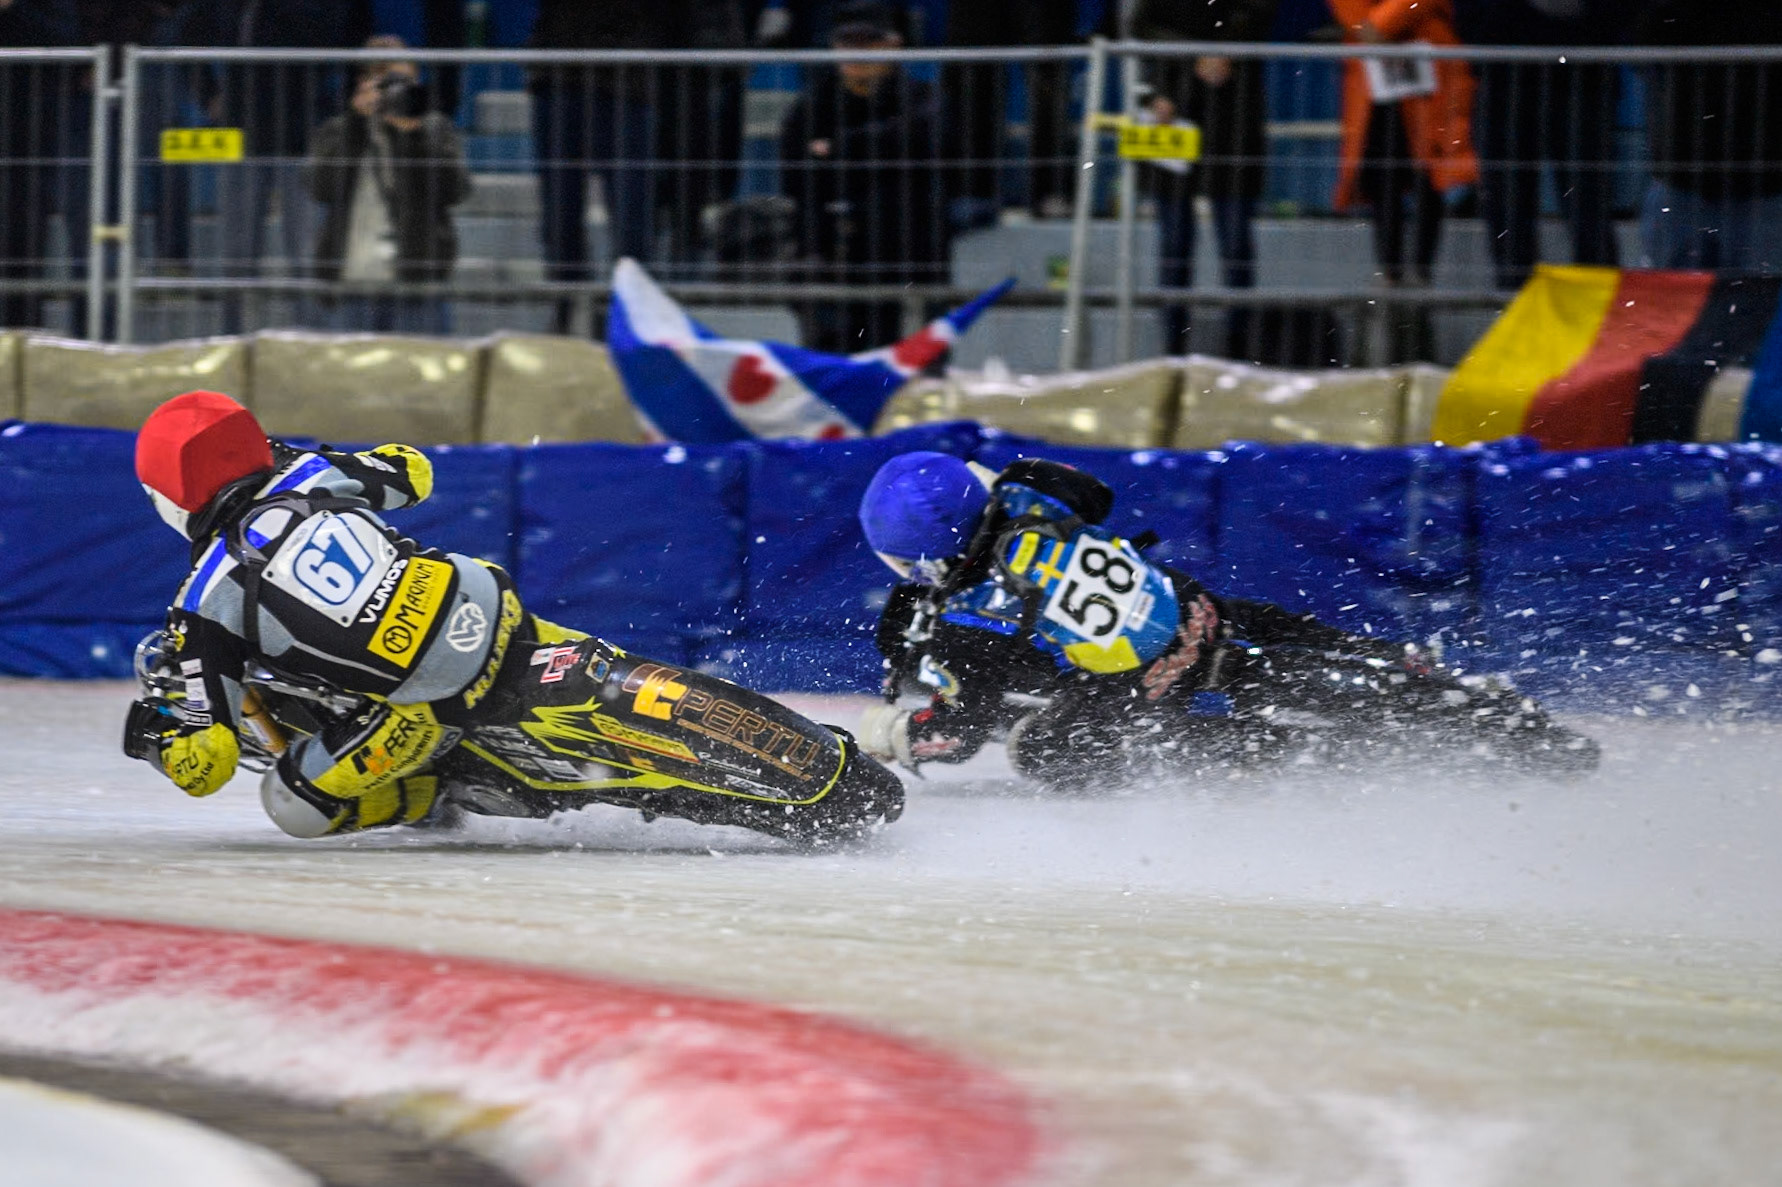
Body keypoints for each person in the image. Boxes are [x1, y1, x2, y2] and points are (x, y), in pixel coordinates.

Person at [853, 452, 1596, 787]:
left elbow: (959, 728)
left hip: (1147, 684)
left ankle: (1258, 756)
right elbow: (1098, 497)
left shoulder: (962, 619)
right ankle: (1428, 679)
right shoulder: (1028, 494)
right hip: (1196, 608)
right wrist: (1015, 476)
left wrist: (896, 734)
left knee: (1045, 752)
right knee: (1291, 632)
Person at [122, 389, 584, 838]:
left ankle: (434, 790)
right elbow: (414, 472)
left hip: (431, 703)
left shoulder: (202, 601)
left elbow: (210, 765)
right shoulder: (310, 472)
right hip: (486, 597)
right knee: (561, 646)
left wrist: (154, 743)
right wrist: (322, 459)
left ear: (168, 496)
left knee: (291, 801)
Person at [778, 1, 944, 352]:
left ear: (894, 44)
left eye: (868, 41)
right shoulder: (812, 104)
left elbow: (916, 137)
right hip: (830, 248)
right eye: (847, 42)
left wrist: (837, 149)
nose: (856, 52)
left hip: (900, 247)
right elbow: (796, 176)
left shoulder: (919, 97)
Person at [1131, 0, 1278, 360]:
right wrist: (1194, 57)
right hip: (1172, 107)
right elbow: (1140, 24)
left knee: (1235, 243)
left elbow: (1259, 12)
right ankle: (1173, 350)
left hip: (1234, 115)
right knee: (1174, 244)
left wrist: (1223, 50)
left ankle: (1239, 350)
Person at [1331, 0, 1477, 360]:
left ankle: (1419, 272)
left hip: (1425, 59)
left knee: (1431, 164)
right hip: (1373, 68)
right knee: (1381, 167)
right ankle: (1391, 269)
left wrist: (1381, 23)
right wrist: (1369, 26)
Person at [529, 0, 683, 333]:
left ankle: (630, 315)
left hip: (628, 84)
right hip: (558, 78)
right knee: (559, 215)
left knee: (631, 219)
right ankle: (566, 305)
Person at [305, 36, 470, 335]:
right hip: (353, 282)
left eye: (404, 82)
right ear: (365, 83)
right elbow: (320, 188)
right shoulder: (339, 129)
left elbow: (455, 190)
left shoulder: (434, 128)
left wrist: (412, 134)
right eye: (386, 81)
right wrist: (357, 123)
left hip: (418, 282)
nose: (397, 92)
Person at [1454, 0, 1620, 290]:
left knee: (1587, 212)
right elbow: (1469, 21)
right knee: (1510, 215)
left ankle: (1600, 317)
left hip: (1579, 84)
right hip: (1509, 84)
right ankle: (1518, 308)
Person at [1632, 2, 1782, 273]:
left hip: (1761, 178)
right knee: (1668, 296)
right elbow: (1645, 37)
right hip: (1686, 174)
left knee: (1762, 294)